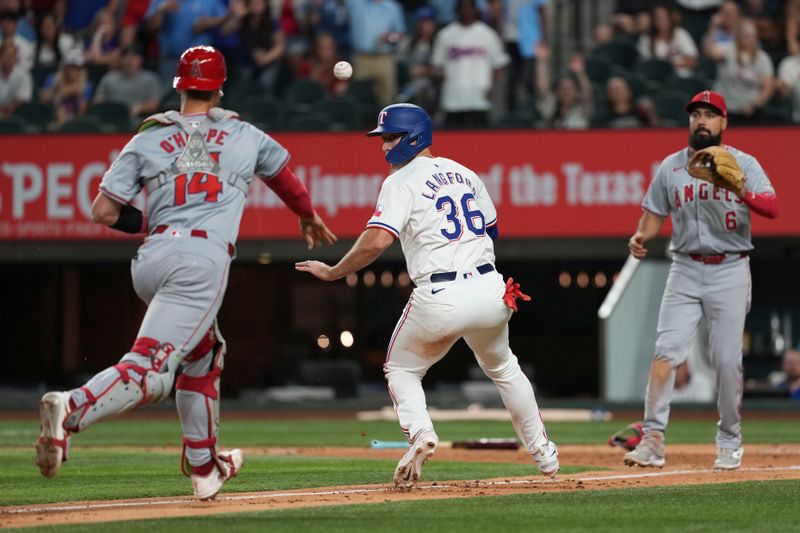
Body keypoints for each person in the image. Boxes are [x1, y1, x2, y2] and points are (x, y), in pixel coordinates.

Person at [34, 45, 337, 500]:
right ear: (219, 87)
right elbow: (284, 178)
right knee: (151, 370)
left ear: (179, 87)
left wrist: (152, 225)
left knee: (205, 353)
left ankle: (203, 467)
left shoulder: (149, 135)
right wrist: (307, 214)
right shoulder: (242, 133)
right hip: (200, 263)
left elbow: (102, 211)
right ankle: (72, 409)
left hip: (152, 259)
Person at [295, 103, 559, 489]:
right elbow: (491, 231)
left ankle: (421, 434)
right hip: (490, 289)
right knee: (504, 368)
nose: (384, 146)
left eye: (390, 137)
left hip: (441, 293)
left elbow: (377, 240)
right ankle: (544, 453)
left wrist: (336, 271)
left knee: (401, 370)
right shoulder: (466, 174)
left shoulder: (400, 182)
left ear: (412, 136)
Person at [624, 90, 778, 471]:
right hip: (685, 267)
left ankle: (729, 439)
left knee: (726, 361)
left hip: (730, 267)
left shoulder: (742, 163)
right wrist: (642, 235)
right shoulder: (671, 167)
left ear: (724, 123)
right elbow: (653, 213)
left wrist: (739, 187)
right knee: (665, 354)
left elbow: (773, 208)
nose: (702, 121)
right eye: (696, 115)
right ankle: (653, 440)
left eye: (710, 115)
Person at [432, 0, 509, 128]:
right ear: (457, 11)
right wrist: (443, 76)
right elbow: (437, 64)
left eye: (469, 8)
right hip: (453, 97)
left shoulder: (488, 35)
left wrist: (491, 87)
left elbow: (498, 66)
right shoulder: (445, 35)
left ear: (475, 10)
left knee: (480, 141)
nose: (466, 11)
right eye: (463, 8)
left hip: (479, 97)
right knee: (452, 140)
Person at [93, 44, 162, 120]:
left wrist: (140, 107)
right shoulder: (109, 77)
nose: (130, 60)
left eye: (135, 56)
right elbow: (98, 101)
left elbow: (155, 103)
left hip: (137, 120)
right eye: (126, 56)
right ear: (121, 59)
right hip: (109, 119)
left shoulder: (150, 79)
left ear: (141, 60)